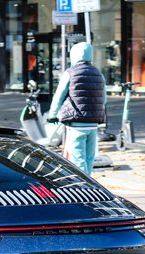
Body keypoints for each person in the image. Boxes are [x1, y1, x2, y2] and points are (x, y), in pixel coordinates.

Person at [47, 42, 106, 175]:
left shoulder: (70, 73)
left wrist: (52, 115)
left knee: (78, 159)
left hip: (76, 123)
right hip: (94, 123)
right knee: (89, 158)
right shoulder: (99, 73)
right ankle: (90, 185)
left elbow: (58, 96)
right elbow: (104, 99)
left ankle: (84, 188)